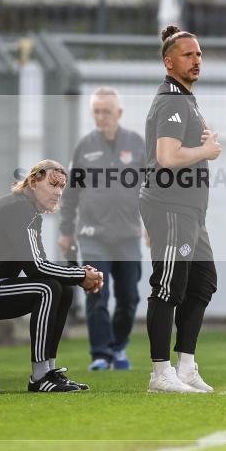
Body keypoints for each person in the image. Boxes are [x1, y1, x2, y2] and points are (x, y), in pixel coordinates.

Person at [0, 160, 104, 393]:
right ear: (33, 181)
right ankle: (41, 377)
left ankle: (49, 372)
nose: (58, 192)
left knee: (61, 287)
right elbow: (37, 268)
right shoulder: (20, 208)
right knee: (48, 288)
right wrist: (81, 274)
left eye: (62, 187)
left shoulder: (24, 208)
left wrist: (77, 277)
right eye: (53, 184)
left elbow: (36, 265)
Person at [139, 25, 221, 394]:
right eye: (188, 55)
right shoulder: (172, 98)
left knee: (202, 282)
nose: (196, 60)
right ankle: (160, 373)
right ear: (169, 62)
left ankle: (186, 366)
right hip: (170, 206)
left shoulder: (185, 97)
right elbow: (167, 157)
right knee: (169, 285)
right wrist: (206, 152)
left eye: (199, 54)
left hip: (189, 211)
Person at [58, 87, 146, 371]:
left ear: (118, 113)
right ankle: (101, 354)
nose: (100, 117)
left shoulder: (136, 144)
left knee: (129, 297)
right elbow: (70, 194)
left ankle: (118, 347)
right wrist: (66, 231)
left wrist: (152, 226)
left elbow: (152, 189)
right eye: (96, 111)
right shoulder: (84, 147)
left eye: (105, 111)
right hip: (92, 235)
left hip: (128, 235)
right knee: (97, 293)